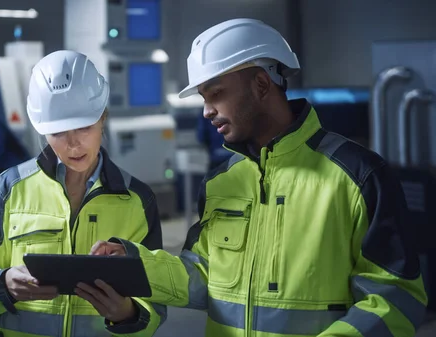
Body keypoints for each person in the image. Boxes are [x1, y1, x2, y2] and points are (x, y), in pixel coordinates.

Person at [91, 18, 427, 336]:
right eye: (204, 98)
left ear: (261, 85)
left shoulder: (358, 177)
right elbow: (203, 273)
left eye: (216, 93)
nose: (206, 111)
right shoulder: (220, 183)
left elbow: (394, 298)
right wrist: (133, 263)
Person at [0, 50, 166, 337]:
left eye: (83, 127)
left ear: (103, 116)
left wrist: (128, 314)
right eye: (58, 132)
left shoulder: (138, 201)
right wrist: (2, 283)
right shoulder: (8, 190)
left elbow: (157, 299)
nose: (72, 144)